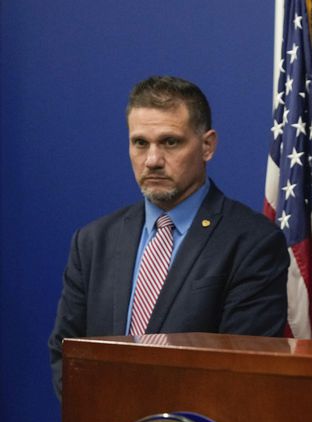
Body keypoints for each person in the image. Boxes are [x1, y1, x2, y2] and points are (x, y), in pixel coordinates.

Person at [49, 76, 290, 399]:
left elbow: (241, 372)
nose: (152, 160)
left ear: (207, 146)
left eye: (170, 142)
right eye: (140, 143)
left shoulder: (252, 242)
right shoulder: (93, 241)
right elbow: (66, 355)